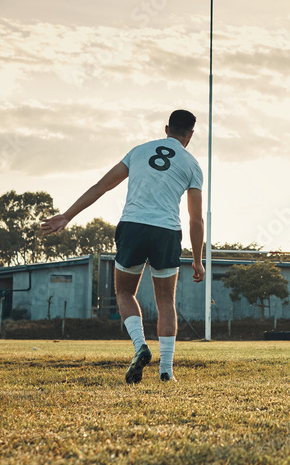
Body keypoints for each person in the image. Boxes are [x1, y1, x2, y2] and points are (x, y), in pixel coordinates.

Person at [39, 109, 205, 384]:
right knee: (166, 301)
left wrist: (67, 215)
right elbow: (195, 219)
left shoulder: (138, 151)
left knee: (125, 291)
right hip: (166, 231)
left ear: (166, 129)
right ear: (190, 135)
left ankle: (140, 346)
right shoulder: (192, 164)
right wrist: (197, 260)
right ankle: (167, 371)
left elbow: (102, 186)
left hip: (133, 226)